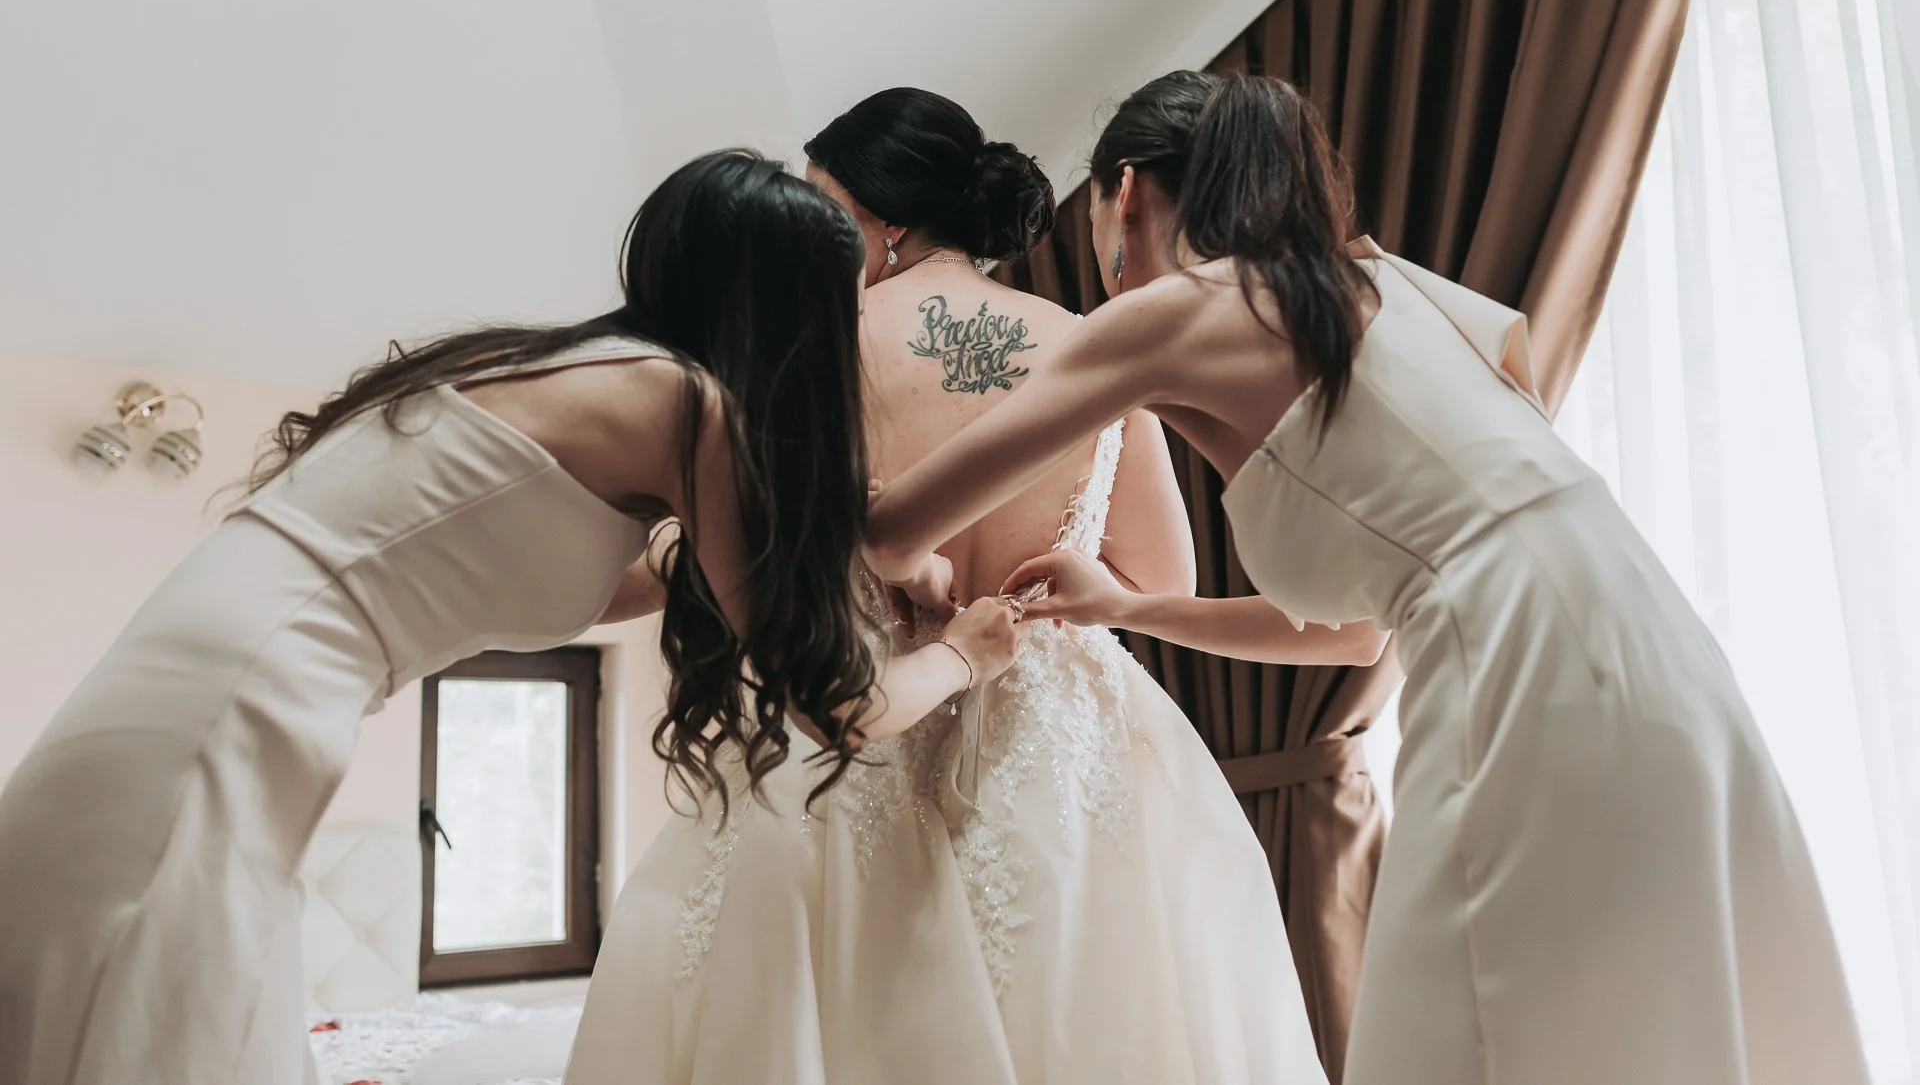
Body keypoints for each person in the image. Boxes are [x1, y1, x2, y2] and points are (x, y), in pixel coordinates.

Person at [867, 72, 1871, 1085]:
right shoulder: (1381, 285)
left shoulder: (1170, 312)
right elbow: (1354, 634)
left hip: (1522, 668)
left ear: (1125, 193)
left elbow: (892, 527)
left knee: (1473, 1027)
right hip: (1654, 654)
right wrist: (1129, 605)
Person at [0, 149, 1019, 1085]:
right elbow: (832, 704)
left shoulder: (559, 369)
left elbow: (548, 583)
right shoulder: (683, 403)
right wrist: (967, 656)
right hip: (222, 719)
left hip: (190, 692)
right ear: (787, 316)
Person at [564, 88, 1365, 1085]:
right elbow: (1162, 577)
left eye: (824, 208)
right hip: (1061, 748)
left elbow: (746, 546)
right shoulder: (1095, 343)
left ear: (883, 217)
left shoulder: (802, 350)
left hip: (847, 719)